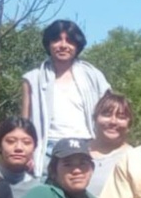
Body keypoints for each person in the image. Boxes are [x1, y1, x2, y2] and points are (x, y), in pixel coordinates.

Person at [21, 19, 112, 174]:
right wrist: (26, 152)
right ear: (48, 44)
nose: (63, 45)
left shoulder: (94, 76)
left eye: (69, 41)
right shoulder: (33, 79)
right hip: (47, 150)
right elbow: (24, 123)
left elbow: (110, 112)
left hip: (86, 147)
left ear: (77, 45)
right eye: (57, 40)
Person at [0, 117, 42, 198]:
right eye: (11, 141)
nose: (19, 148)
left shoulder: (38, 190)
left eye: (26, 142)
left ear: (34, 147)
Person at [88, 91, 134, 198]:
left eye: (121, 117)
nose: (113, 121)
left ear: (129, 124)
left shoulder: (134, 158)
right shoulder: (77, 152)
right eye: (107, 115)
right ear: (95, 118)